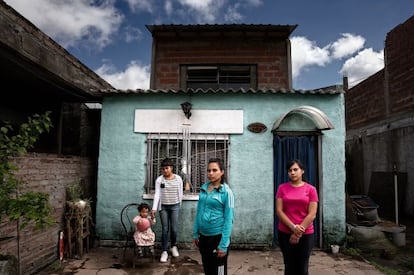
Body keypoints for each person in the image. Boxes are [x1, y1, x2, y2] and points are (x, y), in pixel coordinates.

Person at [276, 159, 319, 275]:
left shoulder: (311, 189)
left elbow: (312, 214)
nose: (292, 173)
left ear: (302, 171)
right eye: (290, 170)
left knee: (302, 267)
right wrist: (293, 227)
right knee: (289, 266)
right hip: (285, 233)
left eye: (295, 169)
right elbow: (279, 211)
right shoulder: (282, 188)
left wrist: (297, 232)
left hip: (306, 234)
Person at [193, 158, 235, 275]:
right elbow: (199, 211)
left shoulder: (226, 192)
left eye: (214, 170)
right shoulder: (204, 188)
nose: (210, 173)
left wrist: (223, 245)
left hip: (217, 237)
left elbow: (229, 219)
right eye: (209, 170)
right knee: (208, 268)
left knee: (219, 271)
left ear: (222, 172)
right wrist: (196, 232)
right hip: (204, 237)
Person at [151, 158, 183, 263]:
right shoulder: (159, 180)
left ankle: (173, 246)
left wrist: (179, 204)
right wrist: (154, 208)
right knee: (165, 229)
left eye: (167, 168)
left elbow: (180, 192)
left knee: (174, 229)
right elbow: (157, 194)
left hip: (175, 206)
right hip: (163, 207)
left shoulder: (178, 179)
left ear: (171, 168)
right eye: (163, 169)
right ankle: (164, 251)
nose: (165, 170)